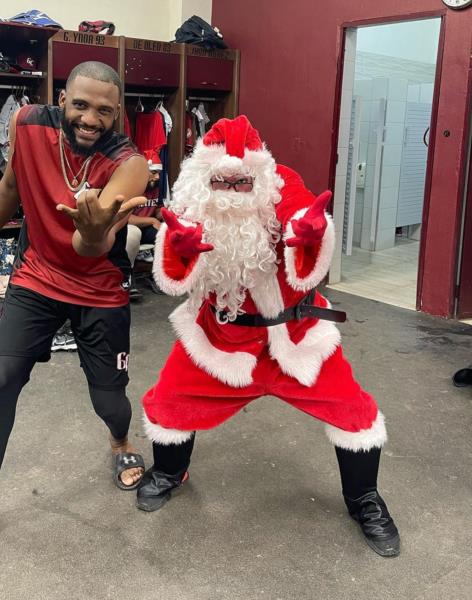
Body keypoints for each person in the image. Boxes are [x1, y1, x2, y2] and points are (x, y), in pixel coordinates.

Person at [136, 115, 401, 557]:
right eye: (222, 183)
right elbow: (174, 270)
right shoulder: (191, 199)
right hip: (220, 339)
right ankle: (169, 472)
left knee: (355, 415)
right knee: (168, 404)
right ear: (205, 179)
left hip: (294, 338)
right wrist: (177, 251)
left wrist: (311, 234)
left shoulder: (280, 184)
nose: (232, 193)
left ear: (258, 178)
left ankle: (364, 499)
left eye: (243, 183)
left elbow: (300, 214)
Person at [0, 61, 149, 578]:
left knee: (110, 401)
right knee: (1, 379)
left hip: (99, 287)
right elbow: (10, 187)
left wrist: (94, 229)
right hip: (37, 277)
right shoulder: (29, 123)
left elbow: (90, 247)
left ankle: (120, 440)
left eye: (104, 111)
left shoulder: (130, 164)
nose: (90, 119)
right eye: (80, 105)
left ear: (117, 113)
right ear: (62, 99)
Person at [126, 149, 163, 299]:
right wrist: (152, 220)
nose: (157, 176)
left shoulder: (155, 187)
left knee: (165, 235)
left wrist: (164, 213)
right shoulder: (131, 187)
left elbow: (157, 209)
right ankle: (128, 278)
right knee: (131, 235)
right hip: (128, 227)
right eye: (153, 172)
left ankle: (158, 275)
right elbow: (126, 218)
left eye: (158, 173)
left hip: (145, 228)